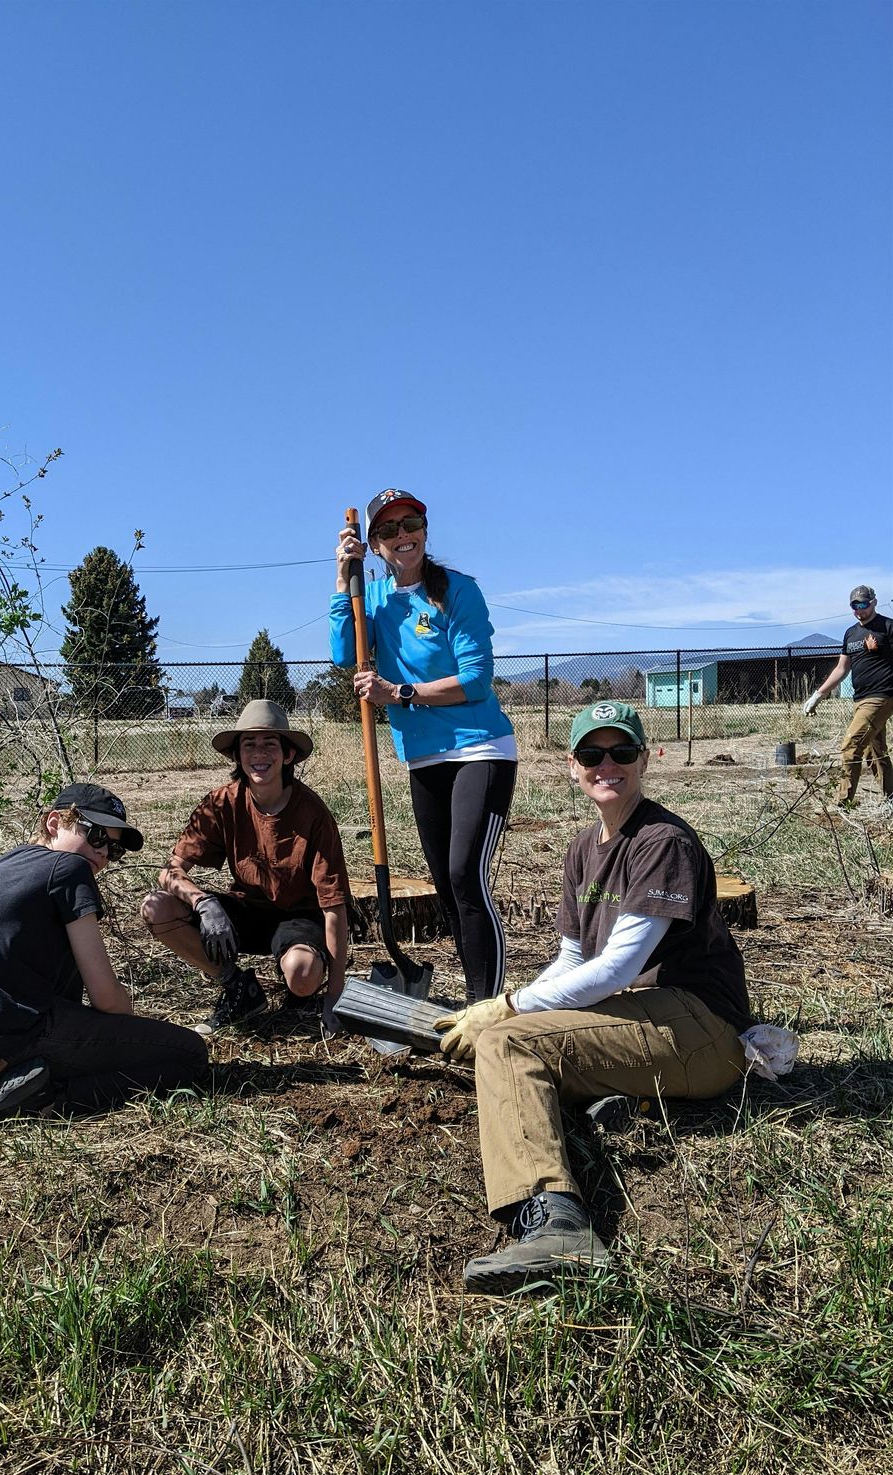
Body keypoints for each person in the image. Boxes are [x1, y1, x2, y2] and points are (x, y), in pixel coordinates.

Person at [435, 701, 751, 1294]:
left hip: (701, 1027)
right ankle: (614, 1105)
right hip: (648, 1018)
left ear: (645, 759)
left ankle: (557, 1225)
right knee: (525, 1037)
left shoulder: (662, 841)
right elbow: (574, 960)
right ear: (573, 767)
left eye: (622, 752)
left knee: (508, 1046)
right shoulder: (585, 847)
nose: (607, 765)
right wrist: (521, 1000)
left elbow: (618, 967)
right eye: (592, 754)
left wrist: (506, 1008)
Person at [0, 783, 208, 1136]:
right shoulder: (68, 869)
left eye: (114, 849)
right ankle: (48, 1099)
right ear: (54, 823)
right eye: (96, 836)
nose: (105, 854)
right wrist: (127, 1031)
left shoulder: (7, 865)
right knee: (189, 1053)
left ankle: (14, 1079)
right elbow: (107, 1000)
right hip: (0, 1031)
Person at [330, 488, 516, 1003]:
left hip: (480, 749)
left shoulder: (457, 591)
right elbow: (345, 652)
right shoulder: (376, 600)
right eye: (388, 530)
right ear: (373, 544)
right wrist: (343, 577)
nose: (402, 536)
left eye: (410, 524)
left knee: (465, 874)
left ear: (425, 531)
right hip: (424, 758)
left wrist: (400, 693)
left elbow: (476, 680)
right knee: (447, 888)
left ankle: (487, 1011)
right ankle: (478, 1001)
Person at [141, 700, 349, 1035]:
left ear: (288, 755)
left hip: (298, 916)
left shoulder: (312, 813)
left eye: (269, 744)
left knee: (301, 973)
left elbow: (334, 903)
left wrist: (335, 995)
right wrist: (203, 902)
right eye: (248, 745)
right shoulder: (221, 803)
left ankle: (302, 986)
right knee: (157, 906)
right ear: (237, 756)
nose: (259, 754)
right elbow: (169, 871)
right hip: (244, 911)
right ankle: (238, 988)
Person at [802, 583, 893, 811]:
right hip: (860, 698)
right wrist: (818, 695)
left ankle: (842, 803)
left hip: (882, 696)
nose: (859, 609)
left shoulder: (887, 627)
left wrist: (880, 650)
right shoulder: (851, 633)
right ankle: (891, 797)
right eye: (854, 605)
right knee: (875, 751)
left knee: (851, 746)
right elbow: (842, 669)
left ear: (873, 602)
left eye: (863, 604)